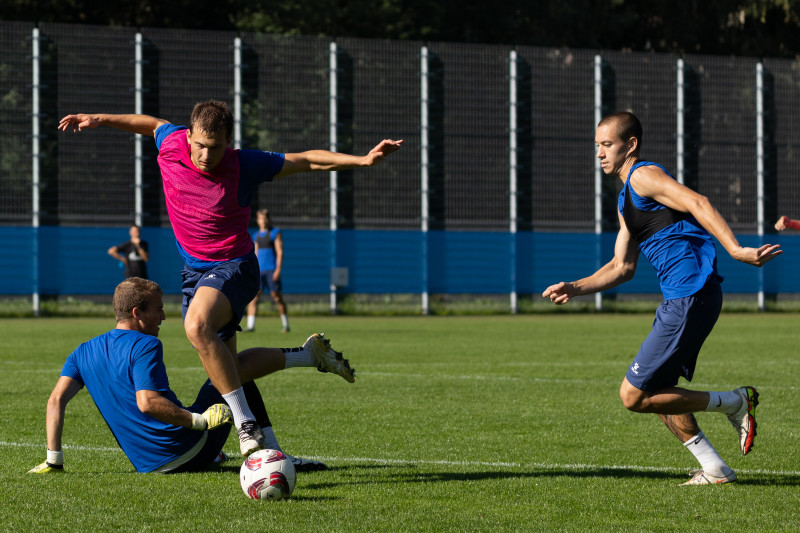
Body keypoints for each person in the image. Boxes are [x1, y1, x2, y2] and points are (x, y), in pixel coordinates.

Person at [58, 101, 397, 457]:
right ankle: (301, 376)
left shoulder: (244, 163)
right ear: (188, 136)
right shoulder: (172, 142)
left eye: (216, 146)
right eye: (200, 144)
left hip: (235, 266)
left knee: (196, 326)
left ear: (229, 142)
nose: (206, 154)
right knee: (230, 369)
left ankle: (245, 424)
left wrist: (362, 160)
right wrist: (101, 119)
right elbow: (149, 123)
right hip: (195, 274)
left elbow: (305, 160)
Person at [542, 111, 782, 485]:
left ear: (631, 145)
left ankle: (734, 402)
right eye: (597, 146)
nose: (600, 153)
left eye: (607, 145)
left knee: (632, 396)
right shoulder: (626, 200)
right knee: (656, 390)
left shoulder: (643, 176)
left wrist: (736, 250)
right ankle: (715, 469)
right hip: (684, 298)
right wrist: (574, 287)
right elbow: (622, 266)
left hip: (690, 294)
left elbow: (698, 202)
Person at [28, 277, 350, 474]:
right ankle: (277, 458)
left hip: (148, 465)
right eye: (157, 309)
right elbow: (147, 402)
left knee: (227, 373)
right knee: (231, 374)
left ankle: (307, 356)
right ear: (137, 314)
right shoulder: (145, 344)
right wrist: (200, 422)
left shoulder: (82, 352)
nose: (164, 317)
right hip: (185, 451)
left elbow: (55, 400)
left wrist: (54, 459)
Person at [244, 209, 289, 333]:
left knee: (277, 297)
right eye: (260, 219)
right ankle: (251, 326)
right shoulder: (256, 236)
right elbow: (255, 254)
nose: (263, 221)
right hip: (259, 271)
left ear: (268, 219)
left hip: (271, 270)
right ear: (258, 220)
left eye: (265, 218)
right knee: (254, 297)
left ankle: (286, 325)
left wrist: (278, 269)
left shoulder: (275, 233)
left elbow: (280, 251)